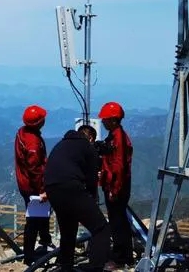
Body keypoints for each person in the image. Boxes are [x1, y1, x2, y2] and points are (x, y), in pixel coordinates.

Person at [43, 124, 111, 272]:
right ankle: (96, 267)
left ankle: (65, 267)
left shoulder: (62, 144)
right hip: (71, 187)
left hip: (51, 188)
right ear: (91, 138)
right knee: (101, 228)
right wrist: (92, 199)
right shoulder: (87, 146)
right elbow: (92, 179)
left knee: (68, 230)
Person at [14, 104, 53, 265]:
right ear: (38, 122)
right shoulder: (33, 143)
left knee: (40, 216)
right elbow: (35, 170)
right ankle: (29, 256)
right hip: (32, 186)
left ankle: (45, 241)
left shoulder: (22, 132)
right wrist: (42, 190)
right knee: (34, 220)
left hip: (24, 182)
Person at [98, 101, 135, 268]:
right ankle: (124, 256)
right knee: (118, 220)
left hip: (116, 186)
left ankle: (121, 258)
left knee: (117, 222)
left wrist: (114, 189)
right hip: (115, 184)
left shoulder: (117, 138)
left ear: (113, 120)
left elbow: (118, 166)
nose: (103, 122)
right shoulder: (116, 136)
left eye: (105, 119)